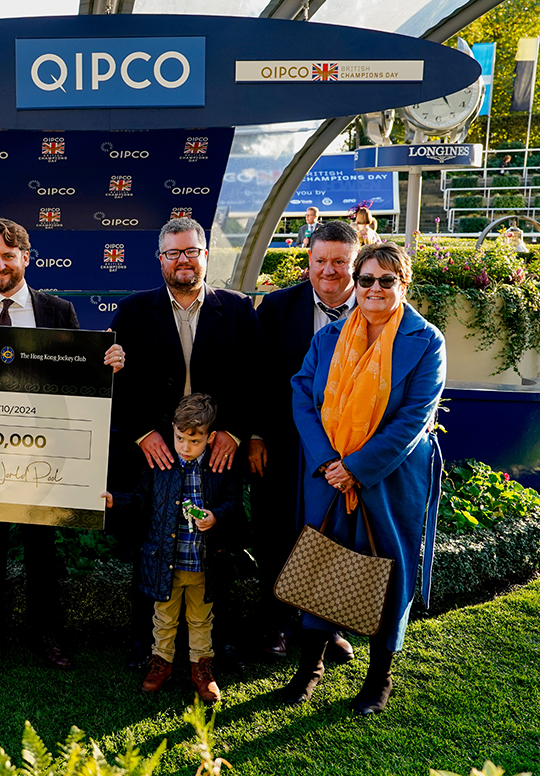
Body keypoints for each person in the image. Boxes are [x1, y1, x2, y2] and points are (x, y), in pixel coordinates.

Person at [0, 217, 125, 670]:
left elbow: (80, 380)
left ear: (25, 258)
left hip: (42, 452)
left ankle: (47, 636)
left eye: (8, 256)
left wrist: (107, 362)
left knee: (41, 550)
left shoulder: (58, 312)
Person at [285, 241, 445, 715]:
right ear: (356, 284)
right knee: (320, 563)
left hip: (388, 477)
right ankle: (309, 669)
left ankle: (379, 679)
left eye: (386, 280)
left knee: (388, 570)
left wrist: (357, 467)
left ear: (403, 283)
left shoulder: (426, 340)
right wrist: (329, 461)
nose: (375, 289)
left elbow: (416, 415)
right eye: (367, 279)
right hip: (327, 473)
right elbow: (301, 393)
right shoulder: (329, 337)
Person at [108, 216, 260, 670]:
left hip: (218, 451)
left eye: (191, 250)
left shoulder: (236, 309)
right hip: (157, 451)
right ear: (160, 261)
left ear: (206, 254)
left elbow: (258, 381)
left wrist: (233, 434)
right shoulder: (134, 312)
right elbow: (119, 385)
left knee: (217, 544)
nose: (183, 260)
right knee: (151, 544)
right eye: (173, 253)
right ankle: (148, 645)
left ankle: (215, 646)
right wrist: (142, 433)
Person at [250, 221, 360, 662]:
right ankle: (275, 623)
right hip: (280, 444)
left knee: (333, 534)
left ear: (356, 262)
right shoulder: (276, 308)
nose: (329, 271)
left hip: (344, 452)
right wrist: (254, 435)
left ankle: (326, 629)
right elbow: (256, 377)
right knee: (275, 532)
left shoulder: (375, 308)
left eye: (340, 261)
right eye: (320, 260)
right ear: (308, 261)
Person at [103, 394, 242, 702]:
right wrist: (116, 500)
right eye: (180, 438)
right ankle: (160, 664)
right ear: (173, 431)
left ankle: (201, 669)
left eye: (194, 440)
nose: (185, 447)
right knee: (163, 618)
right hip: (166, 562)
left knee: (201, 619)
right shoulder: (160, 466)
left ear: (211, 438)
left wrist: (216, 516)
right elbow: (141, 499)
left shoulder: (220, 469)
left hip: (203, 564)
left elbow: (235, 505)